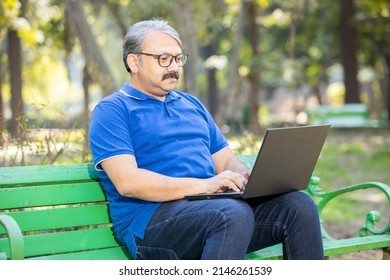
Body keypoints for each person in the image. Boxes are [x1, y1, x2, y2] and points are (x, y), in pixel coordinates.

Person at [89, 18, 324, 260]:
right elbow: (129, 182)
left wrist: (244, 177)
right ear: (134, 62)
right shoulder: (112, 110)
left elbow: (224, 162)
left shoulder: (191, 104)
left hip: (214, 211)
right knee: (231, 214)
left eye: (178, 58)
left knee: (299, 207)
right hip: (151, 224)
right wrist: (204, 186)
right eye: (163, 59)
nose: (174, 67)